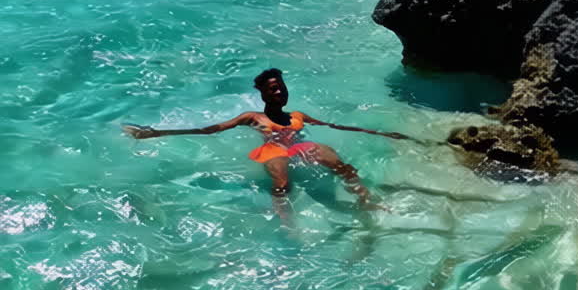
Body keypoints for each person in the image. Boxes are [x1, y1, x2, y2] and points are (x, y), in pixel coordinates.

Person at [123, 68, 407, 205]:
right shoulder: (253, 117)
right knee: (282, 183)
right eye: (272, 89)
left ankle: (366, 201)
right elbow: (211, 130)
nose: (279, 92)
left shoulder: (298, 116)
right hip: (272, 150)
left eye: (281, 87)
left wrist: (380, 132)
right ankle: (285, 223)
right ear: (262, 94)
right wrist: (156, 133)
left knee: (343, 166)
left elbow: (335, 126)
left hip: (300, 146)